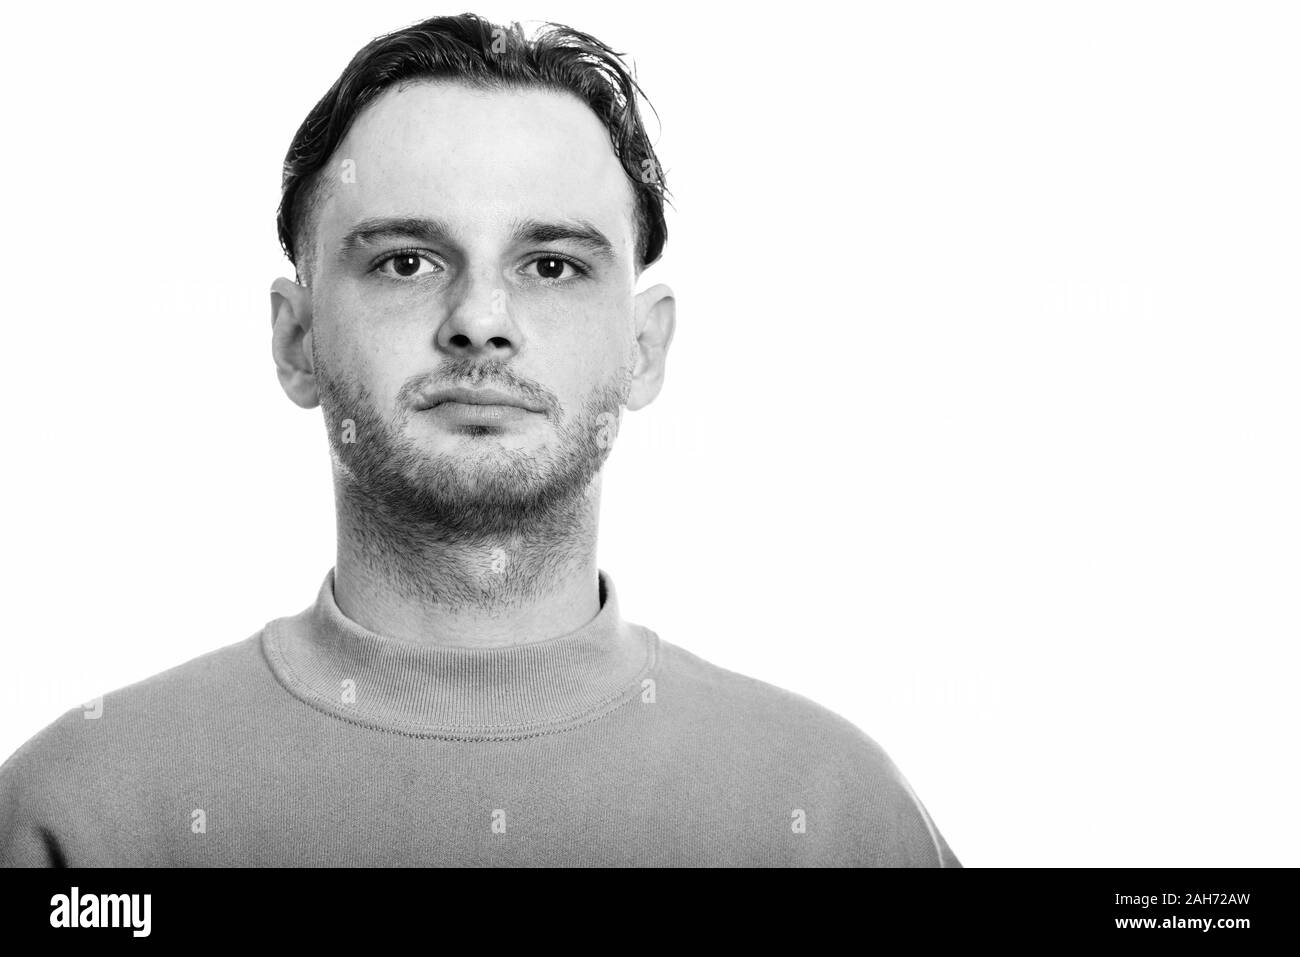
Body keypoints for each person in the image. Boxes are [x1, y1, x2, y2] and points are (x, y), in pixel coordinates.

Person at [0, 12, 960, 867]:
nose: (480, 320)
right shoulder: (83, 818)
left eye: (550, 264)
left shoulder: (834, 812)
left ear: (645, 345)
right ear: (296, 341)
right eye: (406, 260)